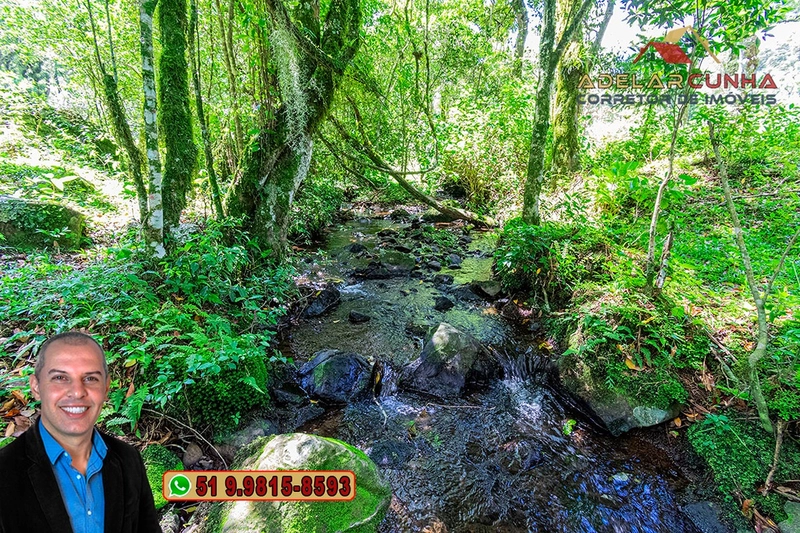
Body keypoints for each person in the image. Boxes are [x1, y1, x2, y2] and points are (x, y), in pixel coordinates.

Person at [0, 331, 162, 533]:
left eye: (91, 378)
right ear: (36, 386)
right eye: (60, 377)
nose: (77, 392)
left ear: (106, 387)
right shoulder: (5, 471)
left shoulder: (128, 461)